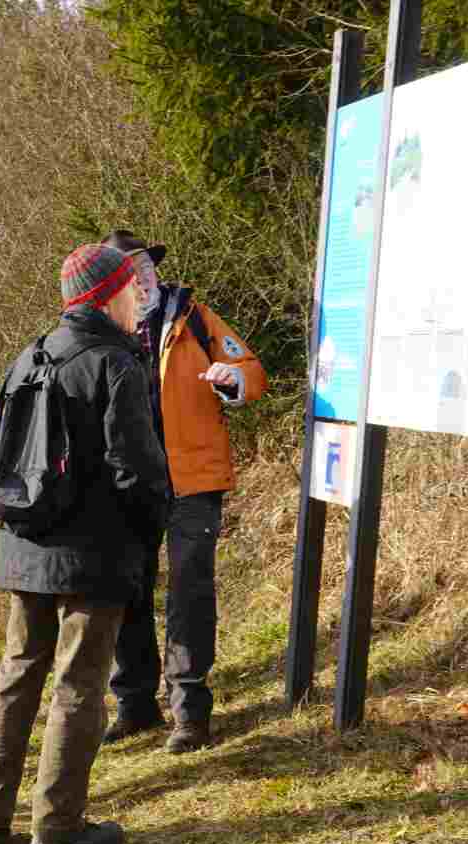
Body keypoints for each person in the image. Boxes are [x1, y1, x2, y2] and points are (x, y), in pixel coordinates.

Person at [0, 243, 171, 844]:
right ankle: (58, 828)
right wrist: (151, 531)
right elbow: (137, 469)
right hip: (94, 552)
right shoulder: (115, 362)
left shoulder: (27, 357)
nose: (140, 296)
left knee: (17, 677)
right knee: (79, 685)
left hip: (24, 543)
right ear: (106, 297)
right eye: (131, 288)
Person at [99, 230, 266, 753]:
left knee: (190, 591)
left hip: (193, 478)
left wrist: (230, 379)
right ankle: (134, 704)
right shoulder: (101, 331)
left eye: (147, 266)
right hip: (127, 484)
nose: (143, 277)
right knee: (129, 589)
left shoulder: (193, 316)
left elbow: (252, 371)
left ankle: (190, 709)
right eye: (131, 270)